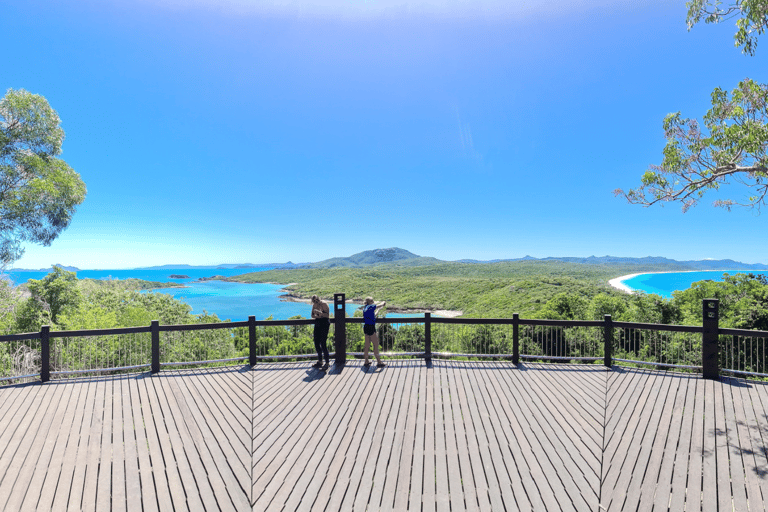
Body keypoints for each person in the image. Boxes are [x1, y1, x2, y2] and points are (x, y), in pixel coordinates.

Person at [362, 297, 386, 368]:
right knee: (375, 344)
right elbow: (379, 304)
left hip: (366, 327)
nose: (373, 302)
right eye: (372, 301)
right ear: (370, 301)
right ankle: (379, 362)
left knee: (367, 345)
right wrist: (383, 303)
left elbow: (373, 315)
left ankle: (366, 361)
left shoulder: (365, 308)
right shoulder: (371, 306)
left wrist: (378, 310)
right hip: (371, 327)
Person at [310, 295, 330, 369]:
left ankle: (327, 362)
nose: (315, 302)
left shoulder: (324, 304)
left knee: (323, 343)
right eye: (314, 301)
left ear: (319, 299)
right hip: (318, 323)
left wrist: (320, 315)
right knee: (316, 342)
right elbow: (312, 315)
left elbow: (327, 315)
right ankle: (320, 361)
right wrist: (319, 315)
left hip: (324, 323)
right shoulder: (314, 305)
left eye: (316, 300)